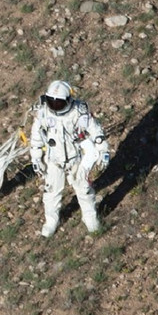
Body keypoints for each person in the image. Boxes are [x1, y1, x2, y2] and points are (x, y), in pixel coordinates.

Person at [29, 80, 110, 237]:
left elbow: (96, 131)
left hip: (76, 159)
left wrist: (103, 150)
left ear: (68, 100)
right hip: (54, 159)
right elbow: (36, 137)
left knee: (84, 189)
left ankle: (89, 217)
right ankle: (51, 220)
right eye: (52, 101)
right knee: (51, 192)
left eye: (59, 103)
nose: (55, 105)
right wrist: (36, 158)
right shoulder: (43, 113)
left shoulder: (78, 111)